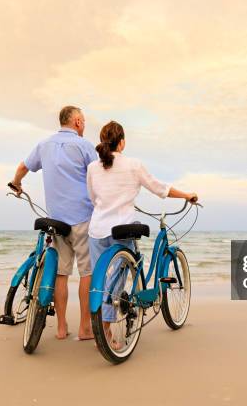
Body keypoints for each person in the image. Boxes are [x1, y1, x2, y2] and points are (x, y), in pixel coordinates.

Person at [86, 120, 198, 347]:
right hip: (122, 229)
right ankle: (106, 330)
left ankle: (102, 328)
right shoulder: (133, 164)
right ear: (122, 142)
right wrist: (187, 195)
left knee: (100, 281)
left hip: (97, 229)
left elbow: (92, 198)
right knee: (116, 283)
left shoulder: (92, 167)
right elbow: (160, 189)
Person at [10, 106, 96, 341]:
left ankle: (60, 327)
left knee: (61, 273)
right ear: (77, 122)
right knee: (87, 272)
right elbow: (98, 175)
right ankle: (85, 328)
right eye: (84, 121)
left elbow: (21, 168)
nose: (85, 125)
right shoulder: (84, 146)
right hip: (83, 218)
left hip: (56, 220)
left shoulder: (43, 145)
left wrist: (17, 184)